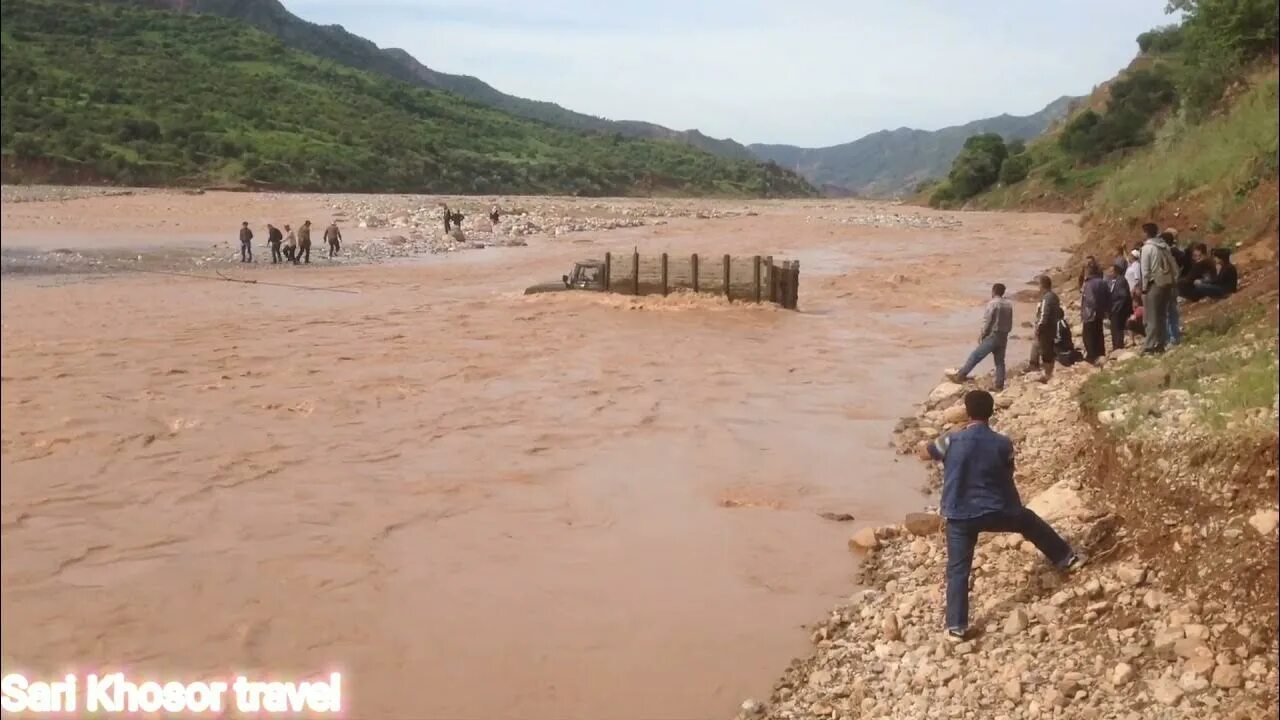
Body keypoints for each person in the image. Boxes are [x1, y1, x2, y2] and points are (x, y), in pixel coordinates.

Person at [917, 390, 1080, 641]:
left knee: (958, 570)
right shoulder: (1003, 443)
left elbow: (925, 453)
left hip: (960, 515)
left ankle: (956, 627)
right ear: (991, 413)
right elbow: (1007, 471)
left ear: (967, 412)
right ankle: (1065, 557)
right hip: (999, 511)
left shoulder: (950, 440)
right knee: (1030, 522)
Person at [948, 283, 1014, 390]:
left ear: (993, 291)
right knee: (1000, 362)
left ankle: (961, 375)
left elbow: (988, 321)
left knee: (976, 355)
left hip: (993, 335)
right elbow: (1010, 322)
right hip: (1003, 335)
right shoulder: (1008, 305)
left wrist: (983, 334)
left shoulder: (992, 304)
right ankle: (999, 385)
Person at [1140, 224, 1178, 354]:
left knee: (1151, 316)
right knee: (1162, 315)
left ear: (1146, 233)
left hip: (1154, 283)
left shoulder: (1147, 248)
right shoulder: (1164, 245)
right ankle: (1161, 343)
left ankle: (1149, 346)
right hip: (1167, 283)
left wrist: (1144, 288)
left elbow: (1145, 271)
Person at [1028, 275, 1061, 382]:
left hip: (1045, 328)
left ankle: (1045, 374)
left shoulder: (1047, 297)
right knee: (1040, 348)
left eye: (1039, 285)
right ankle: (1042, 371)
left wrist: (1039, 327)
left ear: (1042, 285)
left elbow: (1044, 314)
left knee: (1044, 350)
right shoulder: (1054, 296)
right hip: (1051, 327)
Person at [1080, 265, 1110, 363]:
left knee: (1088, 336)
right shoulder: (1103, 282)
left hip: (1090, 313)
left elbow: (1090, 300)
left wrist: (1092, 309)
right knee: (1099, 333)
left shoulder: (1089, 284)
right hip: (1100, 313)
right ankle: (1101, 353)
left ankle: (1092, 356)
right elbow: (1107, 296)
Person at [1162, 229, 1183, 345]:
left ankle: (1171, 337)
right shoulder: (1171, 252)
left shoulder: (1167, 253)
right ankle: (1173, 336)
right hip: (1171, 286)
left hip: (1166, 286)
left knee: (1167, 313)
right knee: (1172, 312)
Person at [1106, 263, 1132, 352]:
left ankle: (1118, 347)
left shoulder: (1121, 280)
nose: (1109, 273)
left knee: (1117, 328)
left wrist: (1115, 308)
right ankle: (1116, 346)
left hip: (1119, 309)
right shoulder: (1112, 281)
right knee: (1114, 328)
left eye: (1111, 272)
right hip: (1113, 308)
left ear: (1116, 272)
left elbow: (1123, 296)